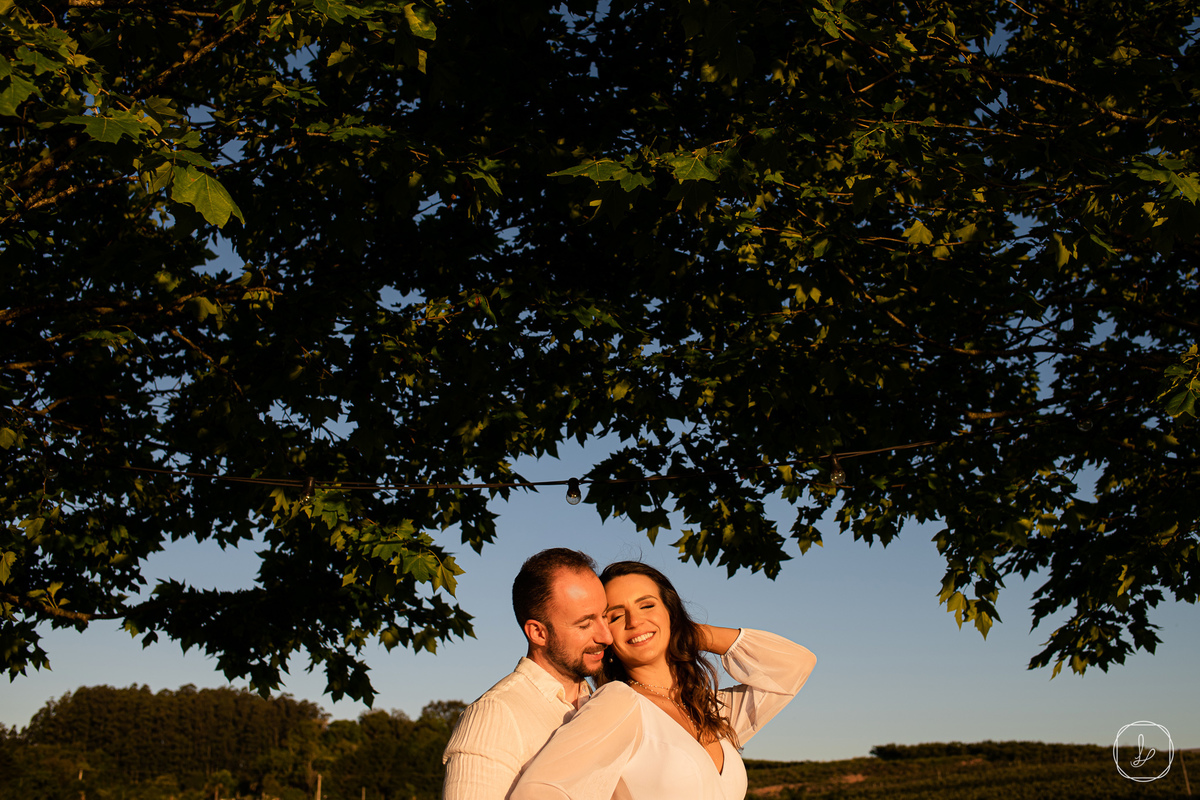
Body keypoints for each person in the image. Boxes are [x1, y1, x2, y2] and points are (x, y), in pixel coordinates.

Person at [510, 561, 817, 800]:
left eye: (647, 605)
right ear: (605, 635)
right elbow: (539, 790)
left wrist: (689, 631)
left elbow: (794, 665)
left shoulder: (712, 710)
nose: (635, 621)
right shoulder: (618, 703)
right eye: (616, 616)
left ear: (670, 611)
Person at [442, 548, 614, 799]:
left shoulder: (601, 703)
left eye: (605, 616)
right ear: (538, 633)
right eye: (585, 624)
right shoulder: (495, 714)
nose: (605, 636)